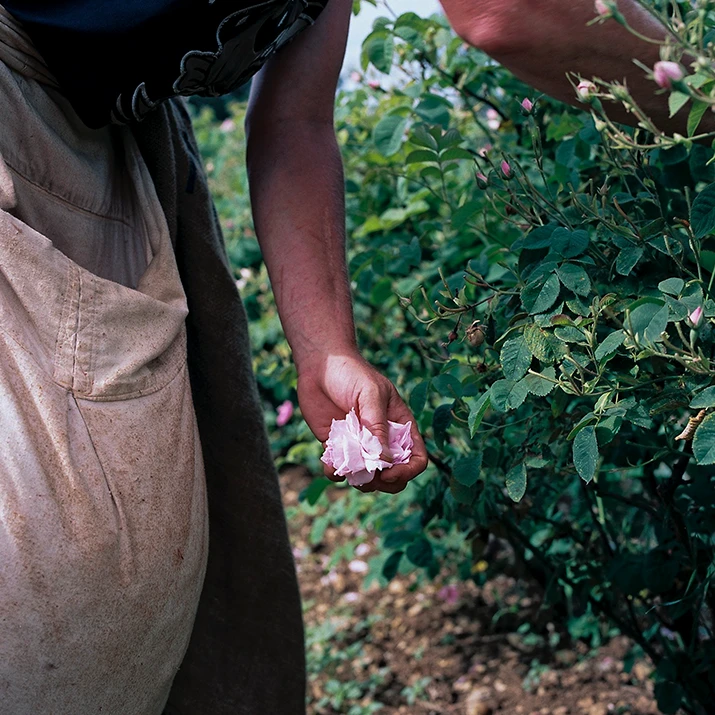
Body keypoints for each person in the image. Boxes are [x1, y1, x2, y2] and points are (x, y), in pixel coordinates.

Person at [0, 1, 426, 714]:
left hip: (107, 146)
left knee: (133, 603)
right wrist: (680, 86)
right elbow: (503, 15)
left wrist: (327, 348)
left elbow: (296, 122)